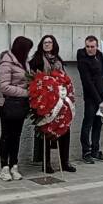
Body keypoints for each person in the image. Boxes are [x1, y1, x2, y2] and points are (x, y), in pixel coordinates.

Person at [29, 34, 76, 173]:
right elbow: (33, 79)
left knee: (64, 129)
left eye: (50, 42)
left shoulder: (58, 60)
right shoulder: (37, 60)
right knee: (46, 131)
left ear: (54, 44)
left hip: (60, 101)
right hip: (46, 100)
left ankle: (64, 161)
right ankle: (46, 163)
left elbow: (64, 77)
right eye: (45, 42)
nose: (47, 44)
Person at [0, 36, 33, 181]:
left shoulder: (24, 62)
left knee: (16, 135)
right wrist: (26, 92)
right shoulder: (7, 62)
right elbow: (4, 87)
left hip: (21, 104)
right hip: (8, 103)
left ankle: (14, 165)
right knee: (7, 135)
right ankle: (4, 167)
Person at [76, 35, 103, 163]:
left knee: (98, 124)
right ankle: (86, 152)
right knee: (87, 124)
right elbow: (87, 82)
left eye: (92, 47)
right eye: (87, 47)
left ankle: (95, 150)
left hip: (102, 96)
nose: (90, 49)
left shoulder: (100, 56)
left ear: (96, 47)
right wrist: (98, 101)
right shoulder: (83, 59)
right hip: (91, 98)